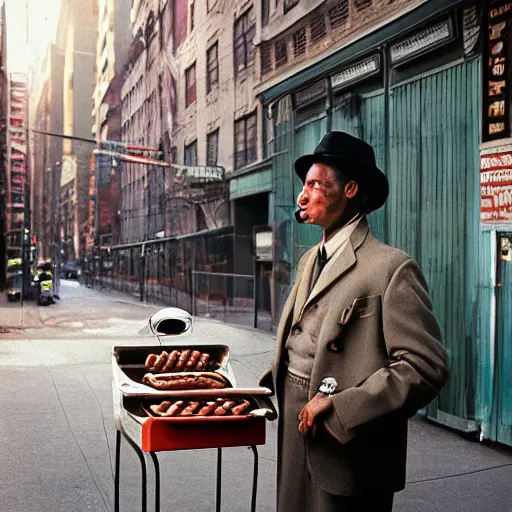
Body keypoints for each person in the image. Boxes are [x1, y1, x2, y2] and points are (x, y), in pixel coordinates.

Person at [259, 131, 448, 512]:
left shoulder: (391, 268)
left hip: (348, 445)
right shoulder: (311, 258)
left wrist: (343, 408)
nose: (302, 196)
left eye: (314, 184)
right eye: (303, 185)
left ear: (350, 190)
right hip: (297, 430)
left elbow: (425, 367)